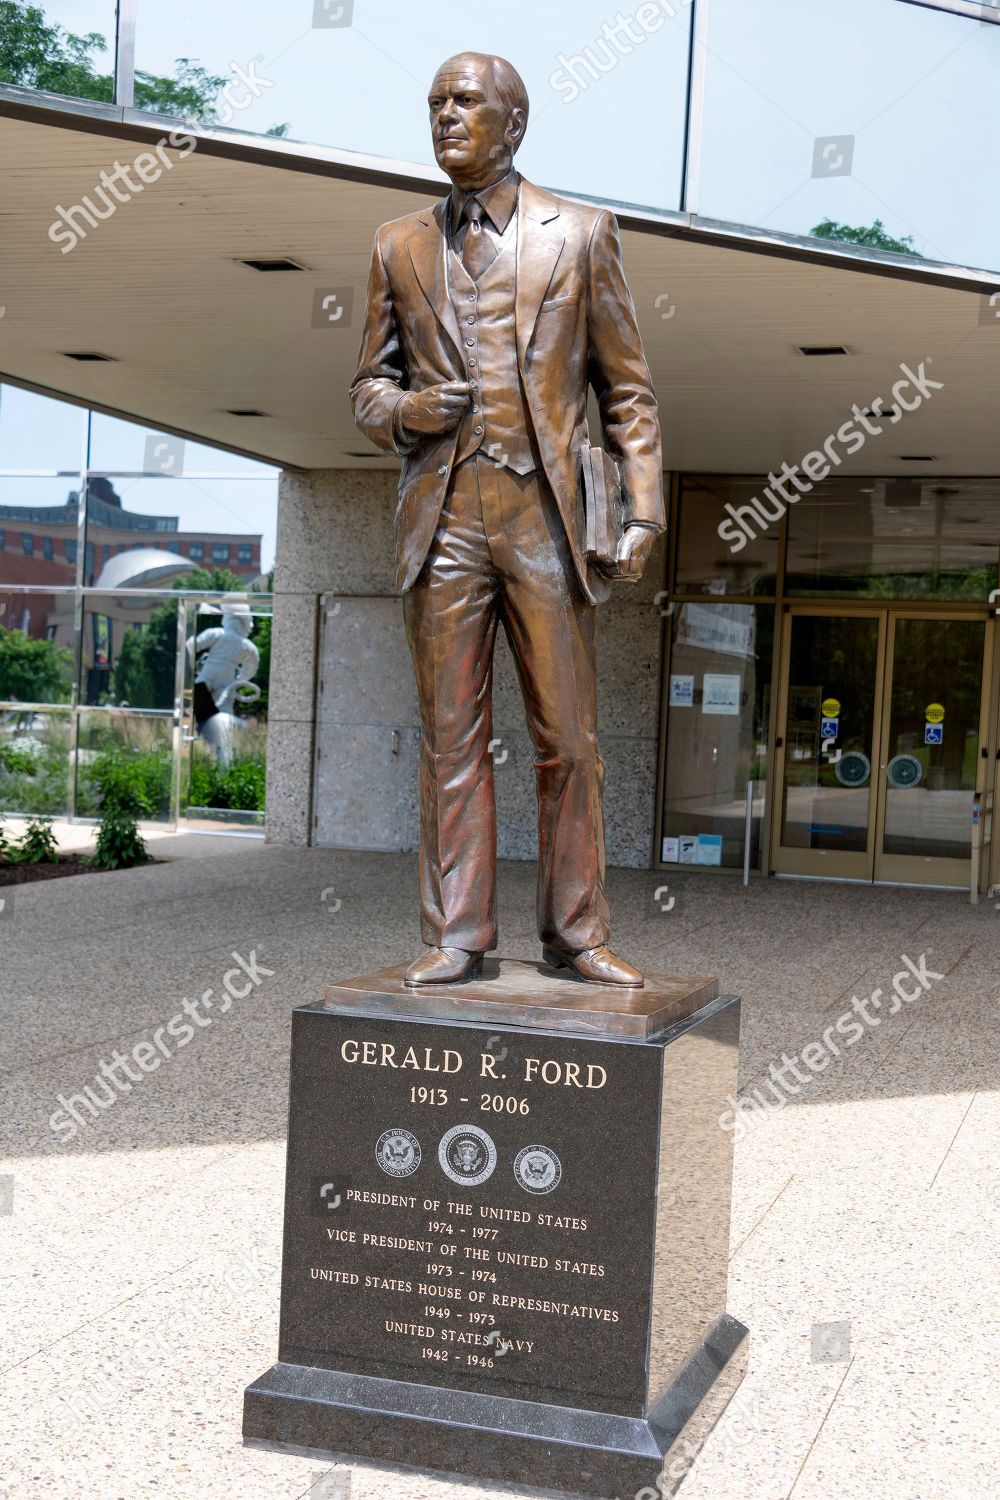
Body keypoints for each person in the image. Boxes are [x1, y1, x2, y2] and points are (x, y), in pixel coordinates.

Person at [351, 52, 664, 987]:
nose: (447, 116)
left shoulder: (581, 232)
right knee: (450, 737)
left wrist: (643, 510)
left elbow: (629, 392)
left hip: (545, 518)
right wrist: (406, 413)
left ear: (514, 123)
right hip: (442, 517)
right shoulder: (395, 243)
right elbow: (369, 386)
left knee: (567, 738)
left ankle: (576, 934)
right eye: (436, 102)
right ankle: (457, 935)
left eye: (467, 102)